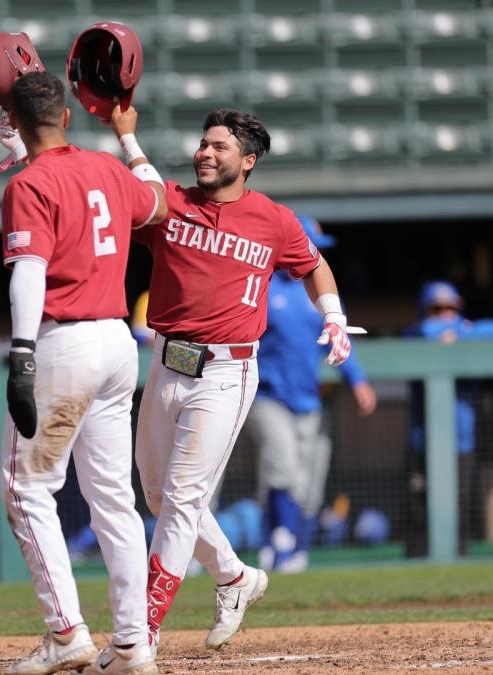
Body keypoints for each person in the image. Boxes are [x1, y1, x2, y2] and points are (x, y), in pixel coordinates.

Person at [134, 108, 357, 652]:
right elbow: (119, 190)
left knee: (184, 498)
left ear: (247, 161)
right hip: (166, 363)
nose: (205, 153)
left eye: (220, 147)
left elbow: (313, 265)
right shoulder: (173, 203)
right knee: (159, 496)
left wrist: (333, 315)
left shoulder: (274, 220)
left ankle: (141, 630)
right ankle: (235, 576)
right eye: (203, 144)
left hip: (226, 370)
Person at [0, 71, 166, 675]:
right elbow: (159, 200)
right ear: (66, 117)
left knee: (27, 489)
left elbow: (29, 270)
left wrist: (20, 350)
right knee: (112, 497)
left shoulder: (30, 182)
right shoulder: (106, 167)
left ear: (14, 125)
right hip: (119, 341)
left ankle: (67, 631)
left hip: (63, 341)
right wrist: (128, 139)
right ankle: (132, 643)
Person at [245, 217, 376, 574]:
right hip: (268, 396)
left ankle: (293, 546)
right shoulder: (266, 287)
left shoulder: (321, 295)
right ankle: (280, 541)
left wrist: (358, 380)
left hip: (309, 399)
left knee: (308, 482)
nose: (314, 254)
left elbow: (339, 340)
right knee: (283, 467)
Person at [403, 280, 493, 557]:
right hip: (423, 443)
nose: (446, 314)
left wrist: (457, 334)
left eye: (451, 308)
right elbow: (421, 332)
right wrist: (460, 332)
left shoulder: (465, 333)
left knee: (460, 511)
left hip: (462, 442)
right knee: (419, 512)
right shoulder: (416, 333)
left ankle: (460, 566)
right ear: (425, 309)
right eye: (438, 308)